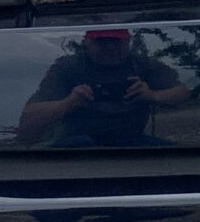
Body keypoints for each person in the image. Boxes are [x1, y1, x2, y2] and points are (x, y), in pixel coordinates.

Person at [17, 27, 190, 145]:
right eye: (102, 41)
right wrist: (68, 103)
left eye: (116, 41)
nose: (110, 47)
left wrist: (152, 96)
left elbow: (182, 93)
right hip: (76, 146)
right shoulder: (68, 67)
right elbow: (28, 119)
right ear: (87, 42)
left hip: (133, 143)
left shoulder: (142, 64)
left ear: (128, 41)